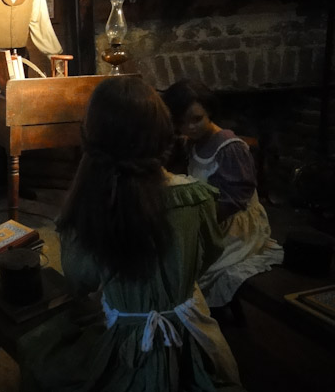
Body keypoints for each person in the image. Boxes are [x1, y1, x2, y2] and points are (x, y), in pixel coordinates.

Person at [18, 77, 244, 391]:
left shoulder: (90, 209)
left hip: (121, 344)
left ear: (94, 139)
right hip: (190, 336)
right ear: (164, 132)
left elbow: (80, 279)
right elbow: (208, 256)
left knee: (42, 355)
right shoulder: (199, 198)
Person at [161, 79, 283, 308]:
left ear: (209, 111)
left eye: (197, 119)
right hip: (209, 216)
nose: (190, 128)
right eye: (182, 123)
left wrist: (200, 221)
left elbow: (236, 198)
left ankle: (192, 313)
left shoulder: (230, 148)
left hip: (233, 224)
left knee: (191, 264)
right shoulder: (192, 143)